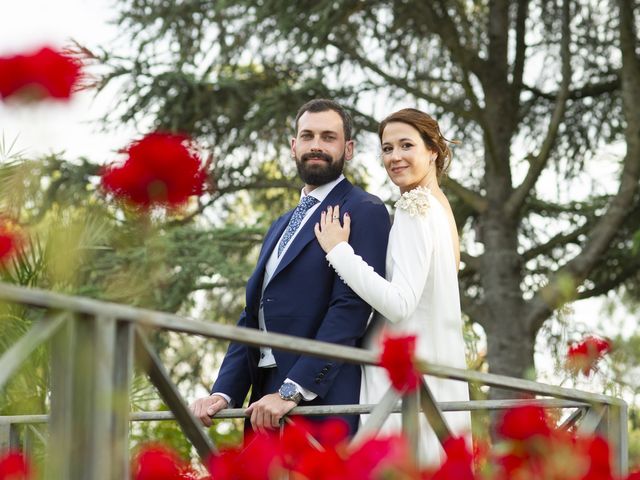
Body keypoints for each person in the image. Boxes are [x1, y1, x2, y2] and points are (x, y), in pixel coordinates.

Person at [189, 99, 391, 434]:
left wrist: (291, 390)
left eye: (329, 137)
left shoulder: (364, 209)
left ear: (349, 148)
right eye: (307, 136)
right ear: (293, 146)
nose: (316, 145)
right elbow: (252, 315)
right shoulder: (280, 224)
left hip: (320, 401)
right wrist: (223, 394)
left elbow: (351, 309)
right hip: (262, 401)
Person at [314, 108, 472, 465]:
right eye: (387, 148)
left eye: (406, 145)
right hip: (433, 374)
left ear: (433, 150)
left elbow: (400, 303)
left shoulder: (414, 207)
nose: (395, 157)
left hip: (400, 381)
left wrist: (339, 251)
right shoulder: (441, 210)